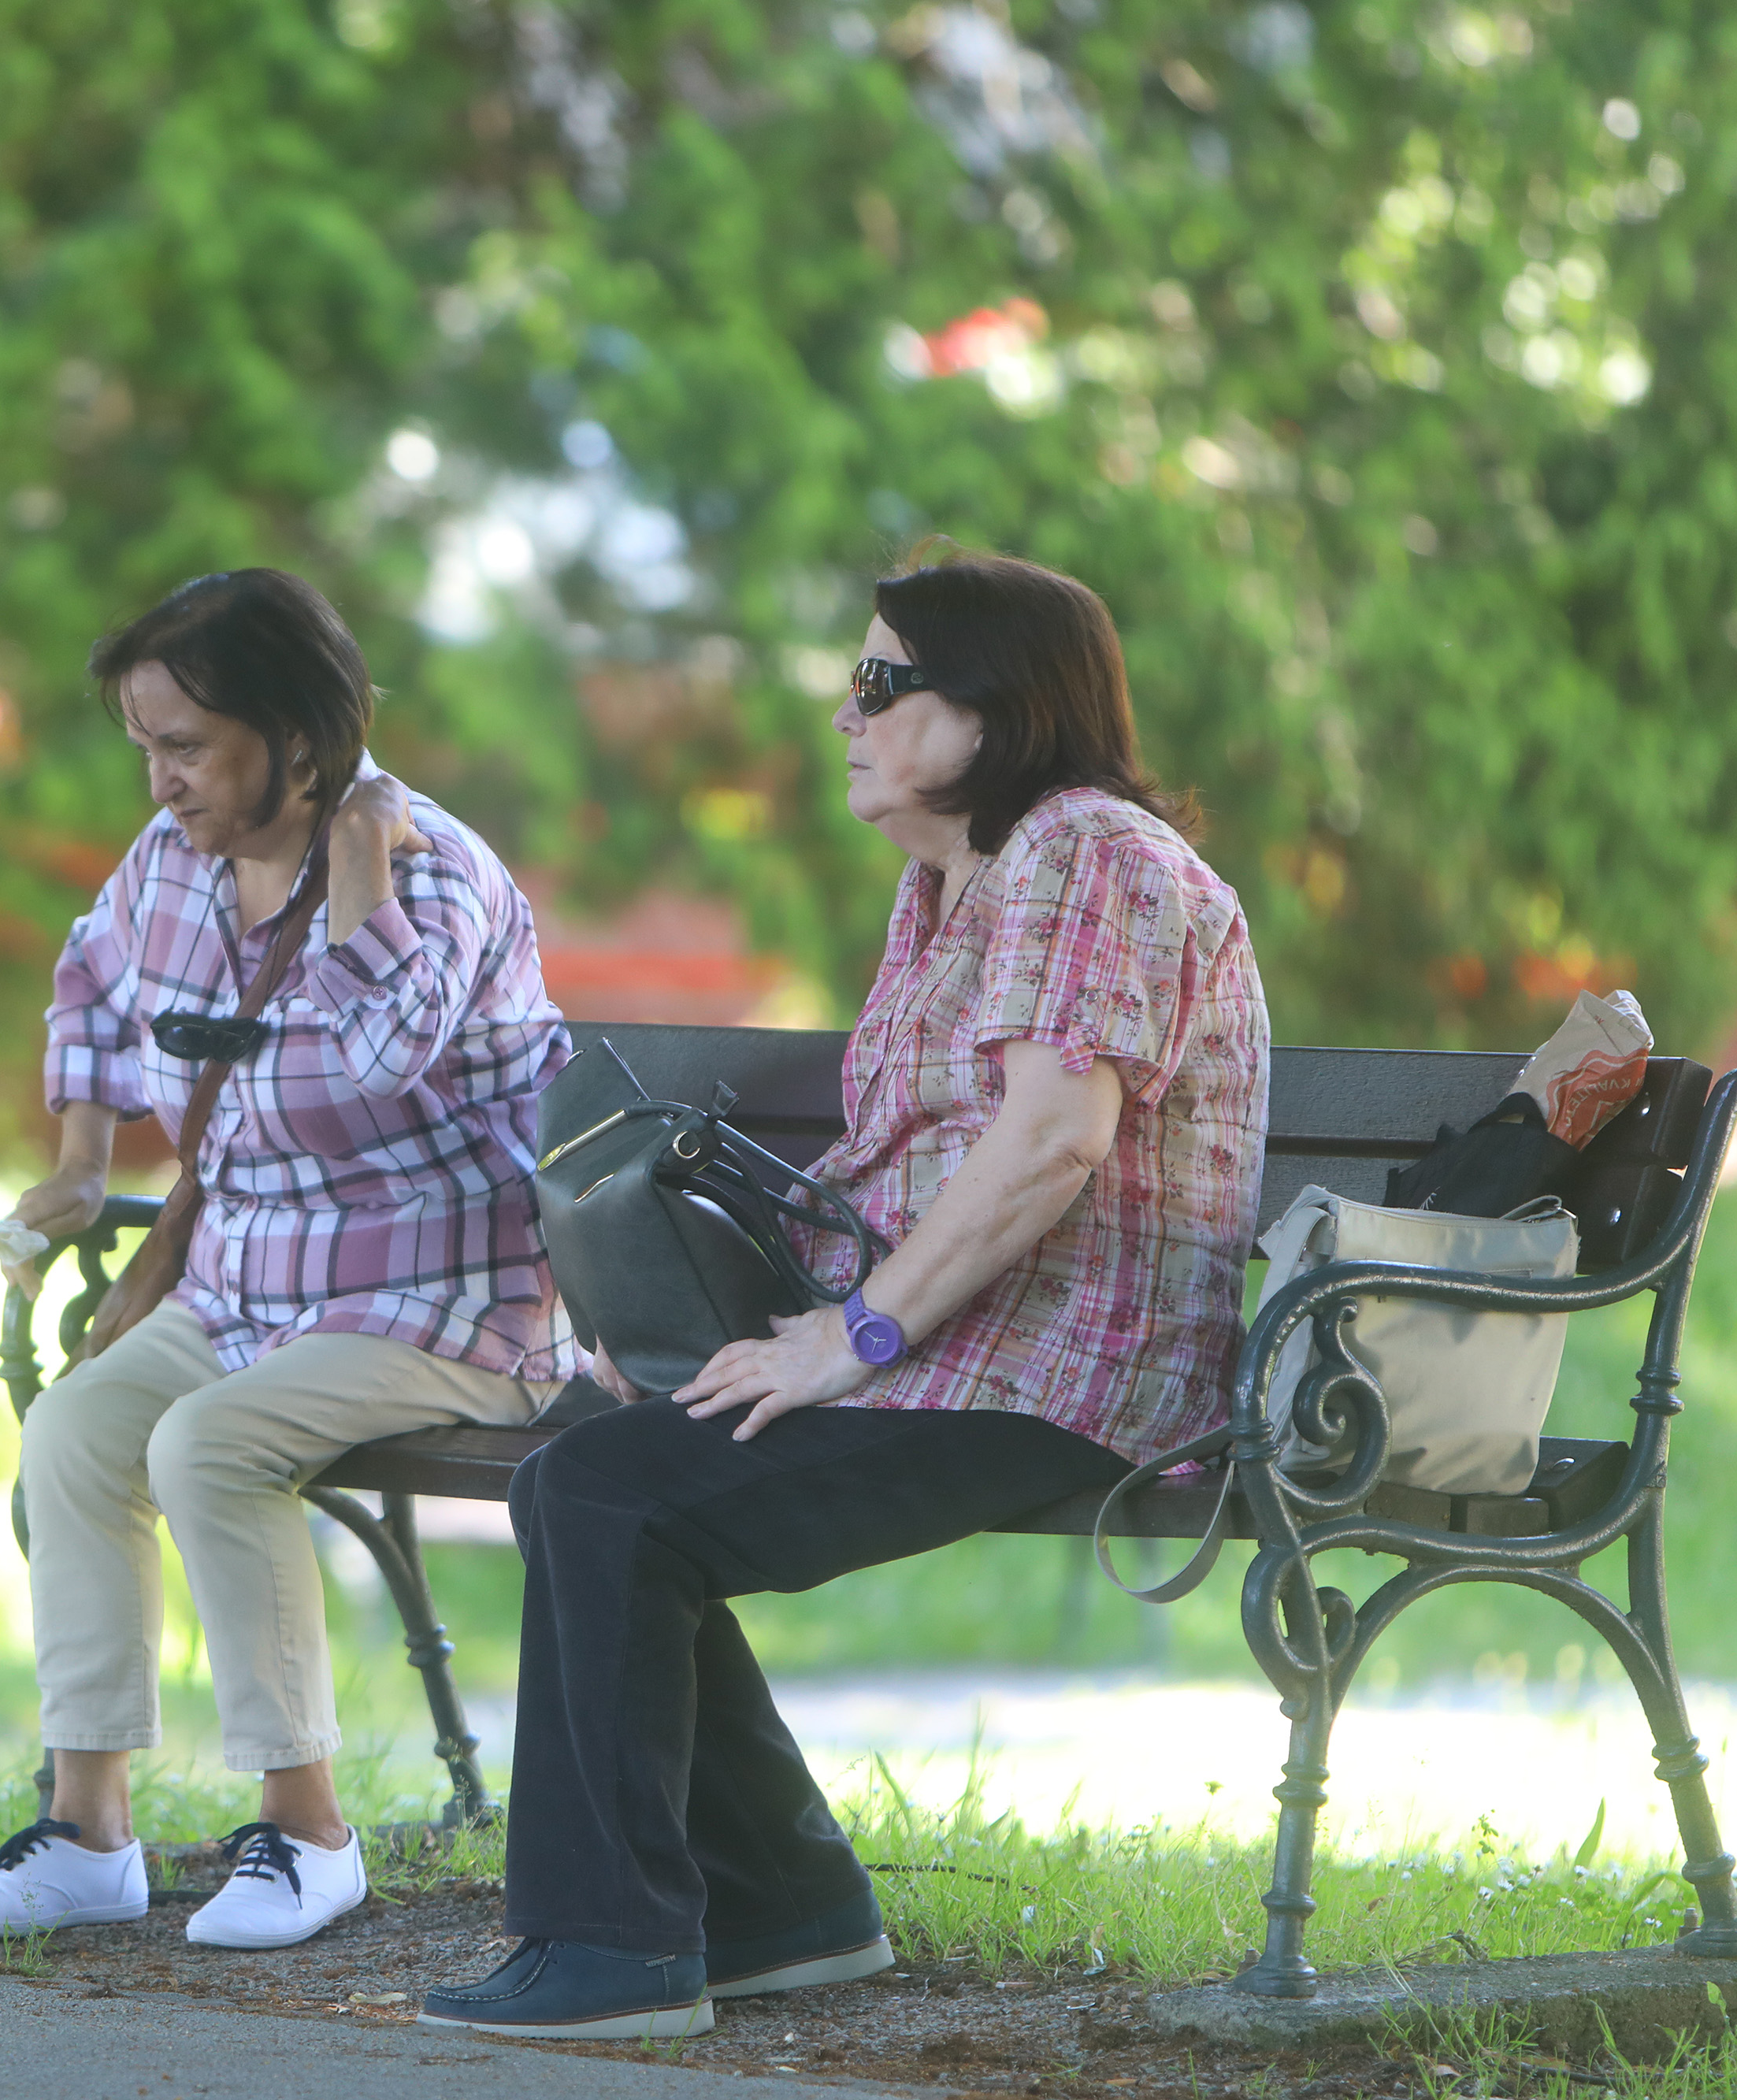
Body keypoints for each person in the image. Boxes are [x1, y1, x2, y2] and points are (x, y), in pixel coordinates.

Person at [420, 551, 1270, 2039]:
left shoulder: (1090, 853)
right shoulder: (954, 884)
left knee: (620, 1496)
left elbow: (1054, 1140)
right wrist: (725, 1338)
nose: (844, 714)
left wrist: (856, 1332)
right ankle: (787, 1910)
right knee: (587, 1465)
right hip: (955, 1353)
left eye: (881, 682)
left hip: (1063, 1375)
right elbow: (907, 1173)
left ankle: (616, 1949)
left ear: (998, 708)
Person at [0, 569, 573, 1951]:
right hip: (249, 1287)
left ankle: (307, 1831)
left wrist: (363, 873)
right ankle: (89, 1831)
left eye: (188, 748)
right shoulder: (172, 863)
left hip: (444, 1302)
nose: (159, 780)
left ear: (298, 733)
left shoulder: (432, 865)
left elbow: (392, 1057)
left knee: (208, 1443)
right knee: (80, 1432)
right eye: (145, 745)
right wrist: (87, 1160)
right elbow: (94, 976)